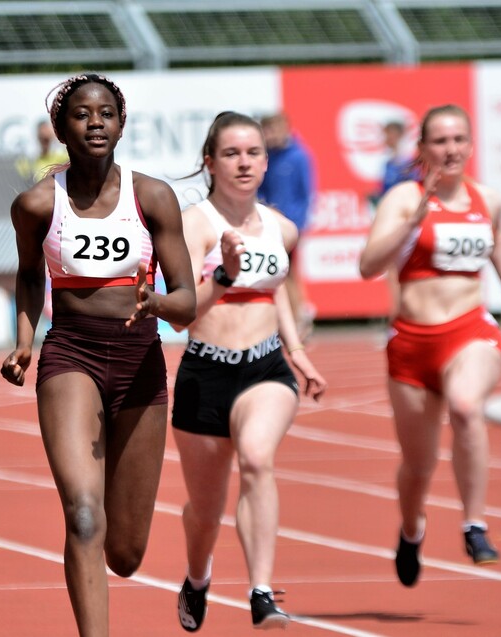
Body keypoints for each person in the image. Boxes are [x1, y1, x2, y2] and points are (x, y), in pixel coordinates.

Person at [0, 73, 197, 636]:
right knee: (84, 516)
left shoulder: (153, 197)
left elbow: (186, 304)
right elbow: (27, 274)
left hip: (140, 363)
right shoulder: (38, 203)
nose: (95, 123)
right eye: (82, 115)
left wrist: (154, 301)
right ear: (62, 128)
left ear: (121, 123)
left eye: (106, 113)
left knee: (127, 553)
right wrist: (22, 341)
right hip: (70, 357)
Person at [358, 104, 501, 588]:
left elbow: (496, 238)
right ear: (422, 149)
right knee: (418, 466)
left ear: (471, 145)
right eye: (440, 141)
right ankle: (412, 529)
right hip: (412, 344)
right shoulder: (403, 197)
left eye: (459, 139)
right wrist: (409, 222)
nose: (451, 149)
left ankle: (474, 524)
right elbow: (368, 266)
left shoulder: (489, 199)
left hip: (469, 331)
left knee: (465, 407)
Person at [171, 111, 327, 631]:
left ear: (266, 162)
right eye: (232, 153)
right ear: (209, 162)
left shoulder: (282, 227)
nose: (244, 163)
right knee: (205, 508)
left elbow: (276, 286)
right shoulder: (193, 225)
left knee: (258, 460)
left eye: (254, 153)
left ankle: (262, 591)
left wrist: (297, 352)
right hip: (204, 373)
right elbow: (182, 314)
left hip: (265, 368)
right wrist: (224, 274)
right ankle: (197, 576)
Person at [257, 112, 316, 341]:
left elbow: (305, 193)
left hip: (290, 226)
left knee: (289, 273)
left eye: (272, 130)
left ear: (284, 128)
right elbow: (262, 189)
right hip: (269, 224)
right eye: (266, 131)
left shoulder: (299, 156)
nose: (269, 135)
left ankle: (300, 317)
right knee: (279, 273)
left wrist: (298, 225)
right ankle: (292, 319)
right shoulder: (268, 157)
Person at [369, 120, 420, 206]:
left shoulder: (409, 161)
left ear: (397, 135)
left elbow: (415, 188)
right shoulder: (387, 163)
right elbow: (383, 189)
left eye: (388, 134)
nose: (385, 138)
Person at [17, 119, 70, 183]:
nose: (45, 140)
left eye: (47, 138)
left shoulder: (63, 158)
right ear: (38, 137)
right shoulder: (30, 163)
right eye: (42, 137)